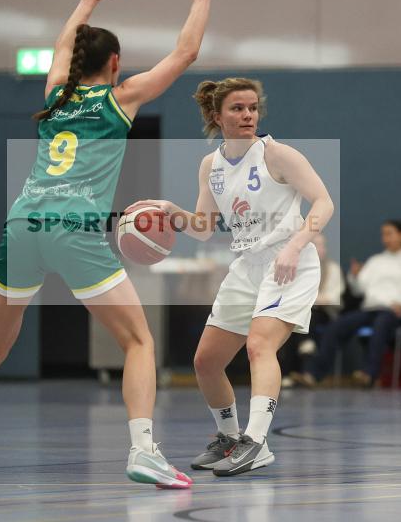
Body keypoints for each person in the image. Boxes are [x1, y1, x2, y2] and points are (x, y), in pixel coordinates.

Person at [0, 0, 229, 489]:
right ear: (114, 64)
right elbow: (185, 52)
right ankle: (143, 452)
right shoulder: (121, 97)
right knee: (137, 343)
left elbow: (62, 46)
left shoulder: (55, 97)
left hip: (23, 226)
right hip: (72, 227)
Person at [128, 77, 334, 476]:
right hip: (248, 265)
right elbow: (204, 226)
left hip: (290, 261)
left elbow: (324, 202)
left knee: (260, 346)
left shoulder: (277, 155)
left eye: (253, 107)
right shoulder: (212, 165)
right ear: (216, 115)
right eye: (238, 109)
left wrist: (294, 246)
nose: (247, 115)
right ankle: (229, 438)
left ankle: (256, 443)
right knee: (206, 361)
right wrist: (171, 209)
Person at [300, 219, 401, 388]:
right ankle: (314, 375)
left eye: (390, 233)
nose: (386, 238)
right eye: (383, 234)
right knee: (336, 326)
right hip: (370, 309)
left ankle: (369, 374)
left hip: (394, 311)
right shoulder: (376, 260)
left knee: (381, 325)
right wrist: (355, 276)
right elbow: (359, 290)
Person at [279, 233, 344, 386]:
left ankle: (305, 345)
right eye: (315, 245)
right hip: (299, 311)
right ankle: (289, 372)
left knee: (309, 314)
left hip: (324, 313)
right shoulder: (296, 268)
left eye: (322, 245)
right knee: (289, 324)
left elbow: (333, 298)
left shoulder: (333, 269)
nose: (319, 249)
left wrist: (312, 299)